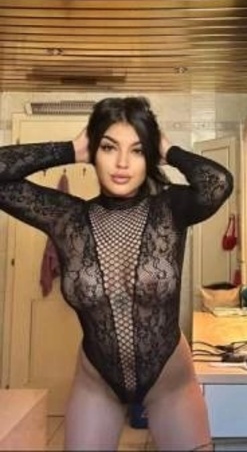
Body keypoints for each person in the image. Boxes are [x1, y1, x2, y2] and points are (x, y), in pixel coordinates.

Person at [0, 96, 233, 451]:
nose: (122, 163)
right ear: (94, 150)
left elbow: (217, 183)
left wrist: (166, 149)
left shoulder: (170, 209)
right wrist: (69, 150)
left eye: (137, 151)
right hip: (97, 383)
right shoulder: (66, 218)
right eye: (109, 147)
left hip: (170, 383)